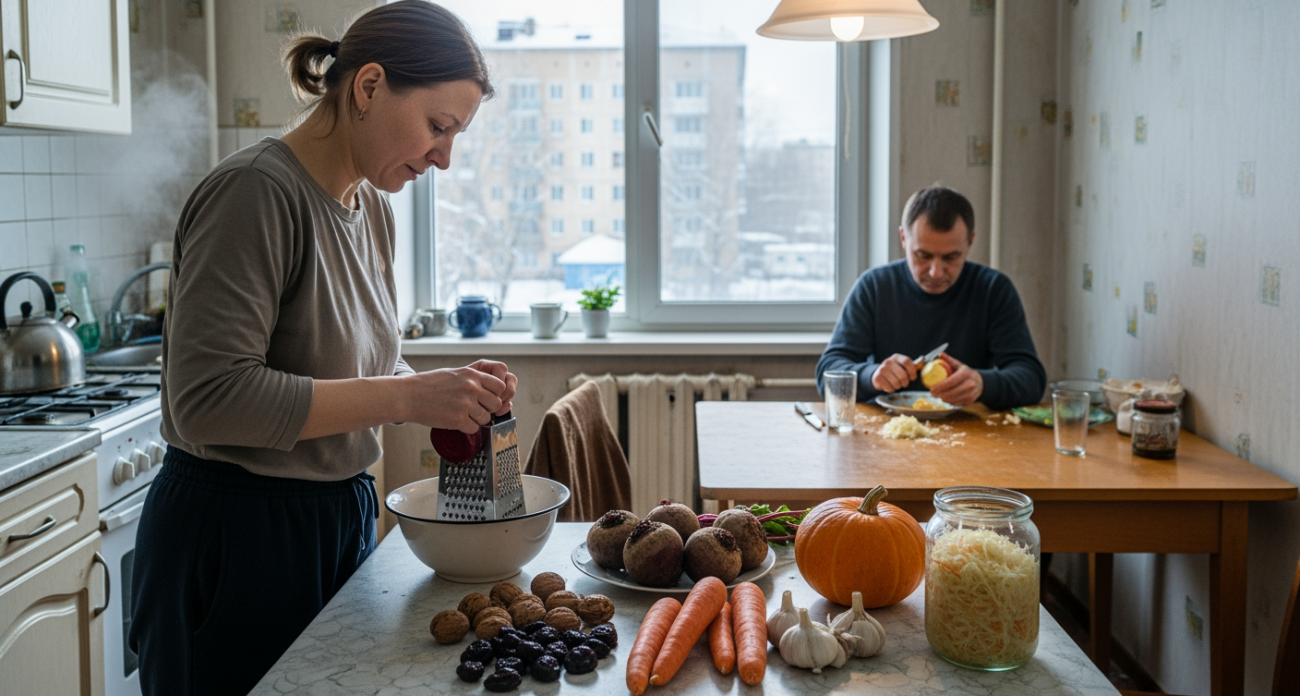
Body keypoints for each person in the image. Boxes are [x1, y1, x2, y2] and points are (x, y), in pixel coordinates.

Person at [128, 4, 515, 695]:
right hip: (236, 532)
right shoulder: (255, 193)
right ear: (367, 87)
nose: (444, 158)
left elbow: (355, 366)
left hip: (334, 517)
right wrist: (404, 396)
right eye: (438, 126)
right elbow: (208, 401)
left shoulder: (373, 210)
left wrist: (441, 393)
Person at [816, 184, 1046, 411]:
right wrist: (871, 375)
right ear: (903, 238)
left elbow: (1032, 379)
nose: (935, 272)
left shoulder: (993, 289)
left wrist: (983, 384)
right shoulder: (874, 287)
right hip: (885, 431)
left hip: (971, 434)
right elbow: (827, 373)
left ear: (970, 242)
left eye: (951, 257)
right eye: (923, 255)